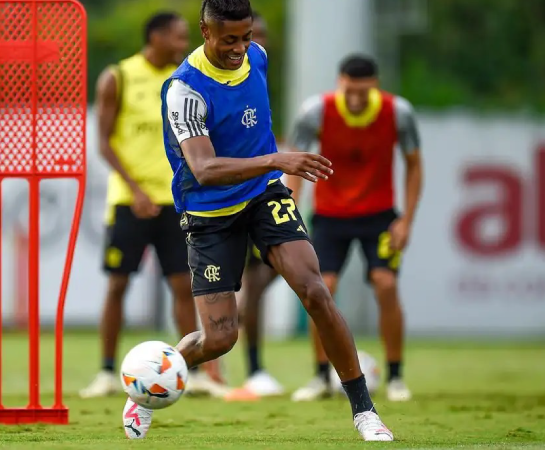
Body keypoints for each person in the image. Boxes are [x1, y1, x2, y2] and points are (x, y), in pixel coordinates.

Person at [122, 0, 393, 441]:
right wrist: (275, 158)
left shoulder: (257, 58)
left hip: (264, 195)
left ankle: (365, 411)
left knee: (315, 291)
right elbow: (204, 169)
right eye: (230, 39)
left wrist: (272, 169)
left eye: (247, 37)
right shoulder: (184, 90)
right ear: (205, 31)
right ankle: (149, 380)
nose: (241, 48)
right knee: (219, 338)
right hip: (209, 213)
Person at [81, 11, 227, 399]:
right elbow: (104, 142)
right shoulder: (119, 77)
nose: (184, 45)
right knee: (118, 284)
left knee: (183, 285)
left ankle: (190, 372)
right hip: (131, 202)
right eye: (178, 38)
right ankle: (107, 372)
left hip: (176, 203)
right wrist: (136, 189)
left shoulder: (187, 78)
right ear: (156, 37)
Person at [288, 54, 422, 403]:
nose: (358, 98)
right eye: (351, 90)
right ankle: (320, 377)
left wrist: (406, 219)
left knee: (385, 283)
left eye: (364, 91)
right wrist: (290, 210)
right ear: (340, 83)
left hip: (379, 216)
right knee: (321, 288)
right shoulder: (316, 112)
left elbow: (414, 165)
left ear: (374, 86)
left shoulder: (398, 113)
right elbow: (294, 162)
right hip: (330, 216)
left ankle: (395, 376)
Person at [223, 9, 286, 401]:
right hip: (227, 198)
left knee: (267, 278)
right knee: (237, 285)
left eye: (257, 36)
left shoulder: (258, 71)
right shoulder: (208, 78)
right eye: (248, 36)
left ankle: (255, 366)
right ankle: (250, 366)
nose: (252, 44)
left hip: (263, 193)